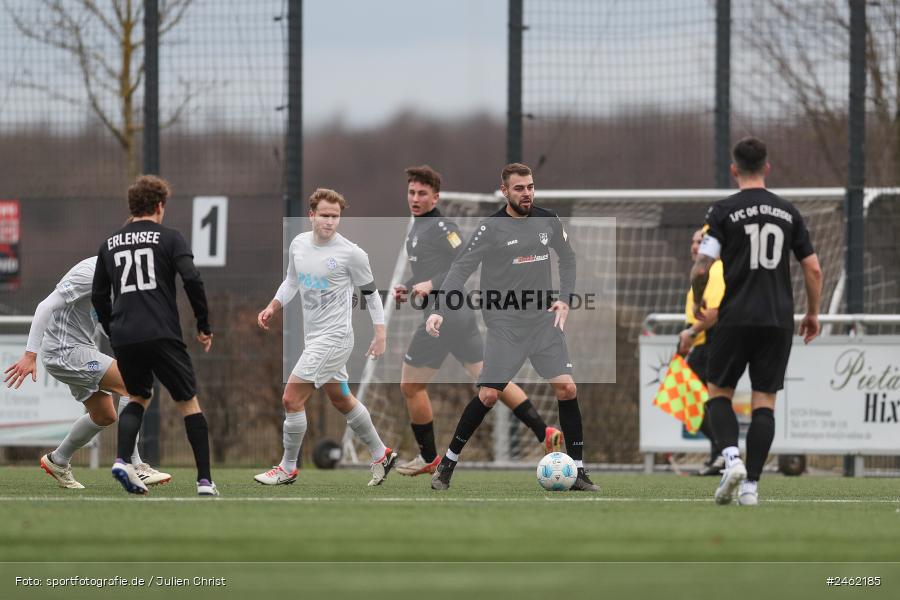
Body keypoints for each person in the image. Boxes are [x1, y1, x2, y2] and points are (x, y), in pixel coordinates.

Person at [425, 163, 598, 492]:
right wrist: (438, 309)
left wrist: (564, 298)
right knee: (489, 394)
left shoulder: (548, 219)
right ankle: (448, 464)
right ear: (505, 191)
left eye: (531, 186)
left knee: (568, 389)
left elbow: (568, 257)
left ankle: (578, 471)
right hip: (505, 324)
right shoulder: (491, 228)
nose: (527, 193)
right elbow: (461, 268)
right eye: (519, 188)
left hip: (543, 322)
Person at [393, 165, 563, 476]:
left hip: (444, 317)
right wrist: (408, 284)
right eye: (411, 192)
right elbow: (428, 268)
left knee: (410, 386)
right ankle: (544, 432)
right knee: (490, 379)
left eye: (422, 193)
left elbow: (463, 263)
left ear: (435, 197)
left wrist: (431, 286)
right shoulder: (417, 227)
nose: (415, 198)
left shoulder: (443, 227)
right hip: (459, 319)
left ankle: (429, 457)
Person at [691, 137, 823, 506]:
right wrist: (812, 313)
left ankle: (731, 457)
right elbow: (812, 268)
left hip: (734, 317)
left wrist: (700, 295)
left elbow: (703, 265)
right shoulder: (788, 212)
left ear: (734, 170)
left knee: (719, 392)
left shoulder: (722, 211)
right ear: (767, 168)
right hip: (778, 319)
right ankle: (751, 486)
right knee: (765, 402)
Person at [254, 188, 397, 487]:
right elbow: (291, 281)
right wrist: (272, 306)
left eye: (335, 217)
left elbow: (371, 295)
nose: (330, 222)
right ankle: (380, 453)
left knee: (291, 398)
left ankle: (287, 468)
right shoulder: (298, 244)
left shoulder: (352, 253)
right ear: (311, 216)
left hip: (335, 339)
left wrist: (380, 332)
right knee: (341, 398)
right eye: (324, 216)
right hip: (315, 337)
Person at [92, 175, 217, 496]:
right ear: (160, 206)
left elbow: (98, 296)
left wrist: (112, 329)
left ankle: (122, 460)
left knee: (138, 397)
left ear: (132, 206)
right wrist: (203, 324)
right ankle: (205, 481)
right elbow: (192, 279)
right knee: (188, 403)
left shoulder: (109, 243)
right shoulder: (170, 238)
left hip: (124, 334)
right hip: (161, 332)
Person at [4, 257, 171, 489]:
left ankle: (58, 460)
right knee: (133, 384)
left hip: (79, 350)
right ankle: (133, 465)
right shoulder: (90, 272)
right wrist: (30, 355)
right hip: (67, 352)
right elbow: (45, 306)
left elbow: (103, 321)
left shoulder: (118, 279)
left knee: (104, 415)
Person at [678, 228, 725, 476]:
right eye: (694, 241)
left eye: (701, 241)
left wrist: (691, 333)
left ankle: (724, 450)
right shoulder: (702, 272)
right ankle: (719, 454)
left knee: (690, 398)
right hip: (700, 340)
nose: (695, 246)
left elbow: (713, 314)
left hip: (707, 341)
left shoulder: (714, 271)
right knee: (702, 400)